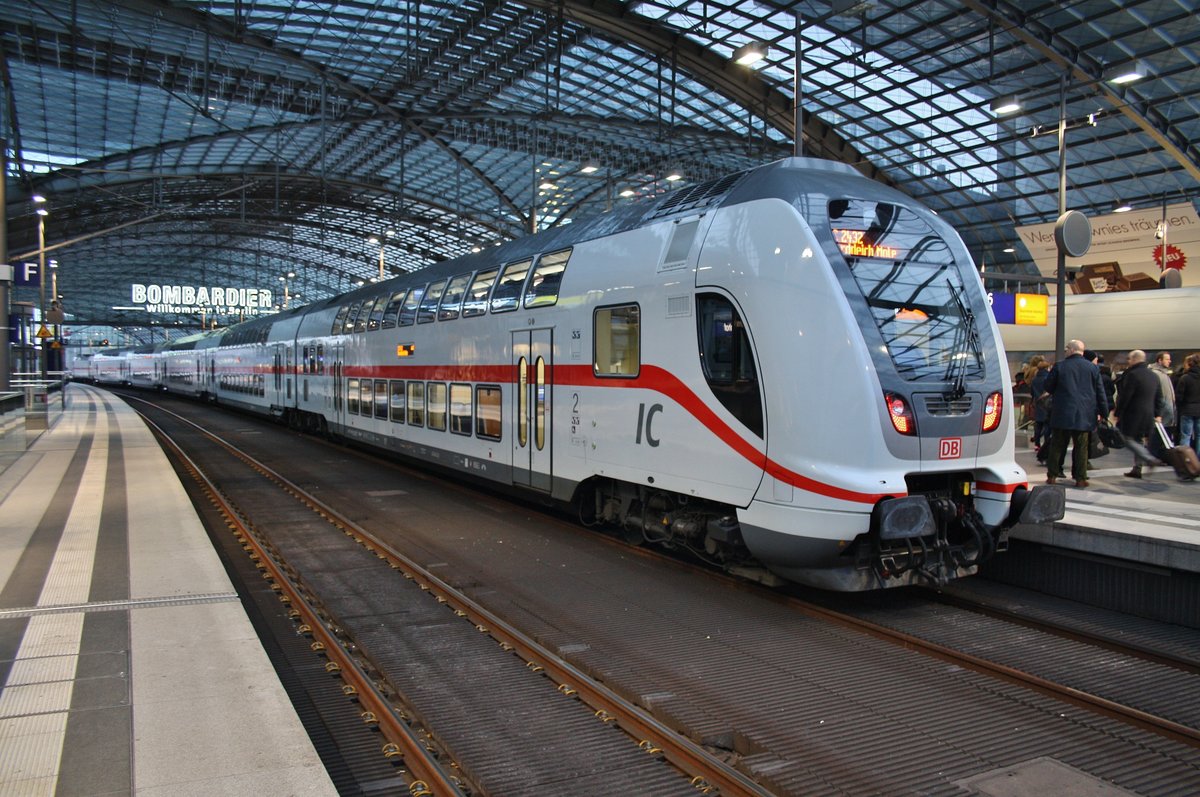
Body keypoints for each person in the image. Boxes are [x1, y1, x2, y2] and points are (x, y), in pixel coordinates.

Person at [1043, 340, 1107, 488]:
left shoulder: (1060, 366)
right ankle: (1080, 478)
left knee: (1057, 446)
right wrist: (1103, 412)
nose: (1065, 351)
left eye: (1067, 349)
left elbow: (1048, 386)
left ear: (1071, 350)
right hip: (1084, 415)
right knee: (1081, 447)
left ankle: (1052, 475)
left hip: (1062, 413)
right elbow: (1100, 392)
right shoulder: (1093, 368)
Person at [1114, 349, 1165, 479]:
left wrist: (1118, 412)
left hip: (1133, 413)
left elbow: (1126, 396)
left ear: (1135, 359)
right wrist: (1158, 413)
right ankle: (1137, 468)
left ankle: (1149, 459)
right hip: (1148, 413)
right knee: (1138, 440)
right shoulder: (1153, 375)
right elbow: (1159, 397)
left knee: (1127, 439)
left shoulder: (1133, 375)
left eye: (1130, 359)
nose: (1128, 361)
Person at [1176, 353, 1200, 457]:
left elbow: (1179, 397)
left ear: (1190, 364)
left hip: (1187, 410)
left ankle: (1185, 459)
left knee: (1186, 436)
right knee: (1199, 436)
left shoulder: (1185, 378)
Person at [1030, 358, 1053, 459]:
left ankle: (1037, 444)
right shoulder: (1048, 378)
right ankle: (1046, 443)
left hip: (1037, 403)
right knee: (1047, 425)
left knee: (1038, 425)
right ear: (1047, 368)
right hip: (1047, 404)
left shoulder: (1034, 379)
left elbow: (1032, 392)